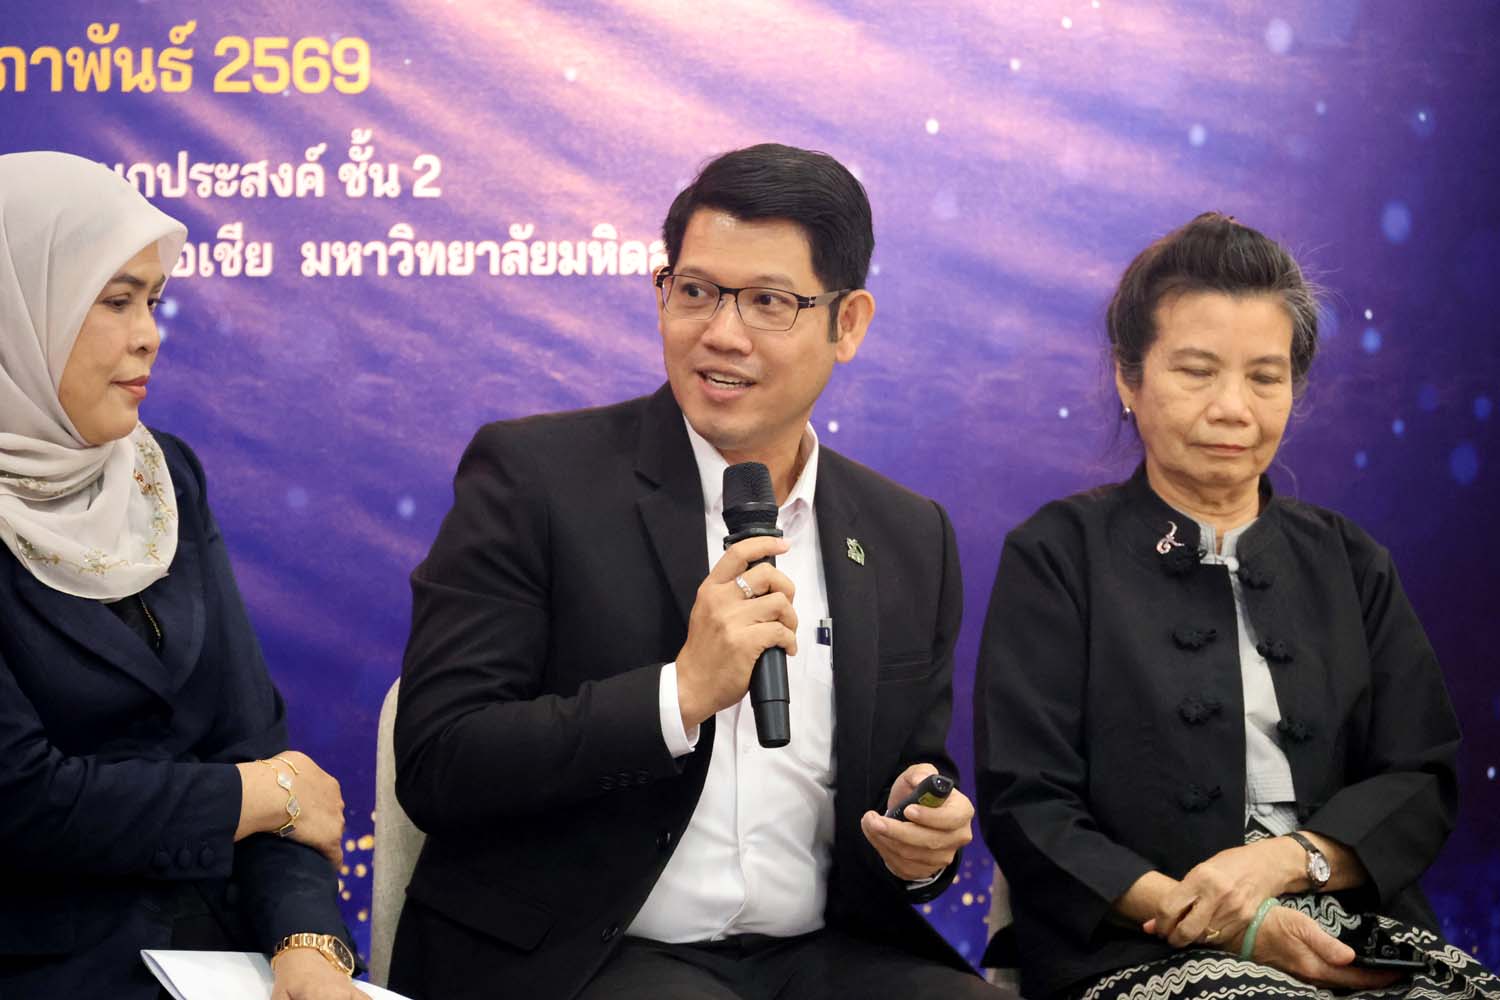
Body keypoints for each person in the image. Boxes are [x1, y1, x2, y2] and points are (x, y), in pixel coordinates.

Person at [390, 143, 1004, 999]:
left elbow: (908, 775)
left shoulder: (908, 536)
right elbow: (440, 760)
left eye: (768, 302)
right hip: (584, 953)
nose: (721, 333)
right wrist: (677, 696)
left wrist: (920, 840)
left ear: (848, 323)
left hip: (818, 957)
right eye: (696, 292)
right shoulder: (535, 479)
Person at [974, 212, 1499, 999]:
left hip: (1353, 934)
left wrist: (1293, 860)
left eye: (1265, 376)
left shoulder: (1349, 560)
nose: (1233, 408)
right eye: (1197, 371)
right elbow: (1029, 806)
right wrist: (1231, 923)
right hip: (1139, 944)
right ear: (1128, 377)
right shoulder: (1058, 555)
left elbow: (1420, 778)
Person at [0, 151, 360, 1000]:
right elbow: (24, 800)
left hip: (220, 948)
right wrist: (255, 796)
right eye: (115, 300)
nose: (148, 335)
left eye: (154, 302)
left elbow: (256, 744)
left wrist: (306, 945)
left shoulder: (163, 477)